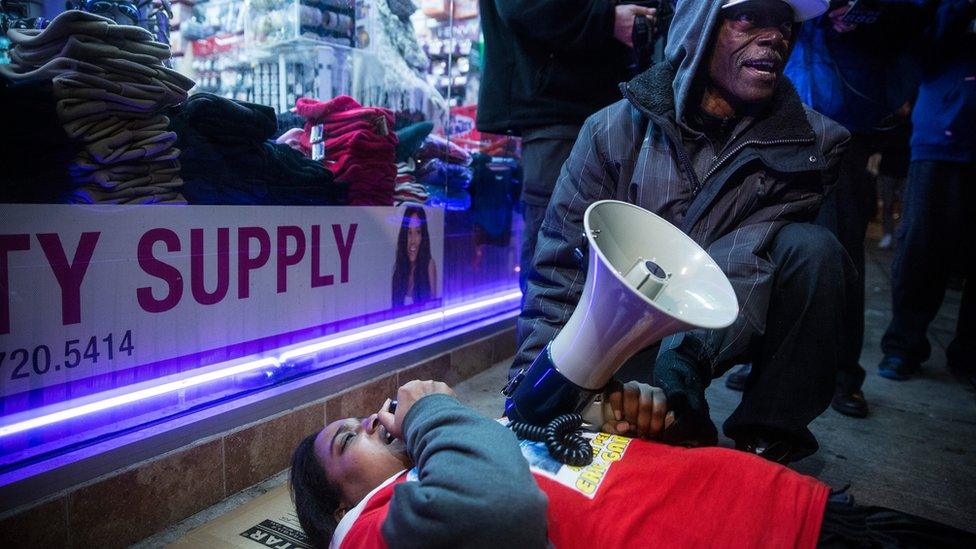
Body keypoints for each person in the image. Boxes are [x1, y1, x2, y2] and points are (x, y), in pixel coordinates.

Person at [513, 0, 852, 465]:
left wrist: (681, 366)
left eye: (784, 24)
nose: (776, 37)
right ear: (700, 25)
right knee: (636, 431)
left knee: (814, 253)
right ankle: (665, 410)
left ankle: (766, 438)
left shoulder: (811, 146)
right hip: (616, 332)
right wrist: (535, 385)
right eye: (751, 18)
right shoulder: (609, 131)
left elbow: (747, 258)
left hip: (717, 323)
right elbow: (560, 269)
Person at [290, 379, 976, 548]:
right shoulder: (379, 530)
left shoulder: (432, 482)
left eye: (374, 410)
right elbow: (502, 502)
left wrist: (598, 428)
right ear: (335, 509)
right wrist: (434, 411)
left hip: (777, 504)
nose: (379, 417)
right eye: (350, 439)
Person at [782, 0, 925, 418]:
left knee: (842, 251)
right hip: (784, 106)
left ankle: (843, 373)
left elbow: (917, 12)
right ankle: (764, 359)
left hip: (844, 118)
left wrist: (864, 7)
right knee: (771, 242)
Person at [476, 0, 660, 293]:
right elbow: (521, 7)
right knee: (557, 262)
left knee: (599, 260)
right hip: (557, 111)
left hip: (602, 107)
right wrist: (606, 20)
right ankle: (544, 341)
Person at [879, 0, 975, 387]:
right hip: (943, 133)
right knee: (922, 245)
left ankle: (969, 356)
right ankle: (904, 345)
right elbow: (918, 49)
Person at [391, 205, 438, 308]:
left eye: (417, 232)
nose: (413, 240)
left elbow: (434, 310)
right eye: (409, 233)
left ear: (423, 236)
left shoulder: (429, 265)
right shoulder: (398, 272)